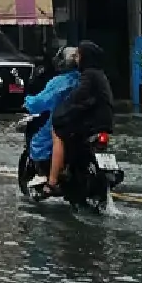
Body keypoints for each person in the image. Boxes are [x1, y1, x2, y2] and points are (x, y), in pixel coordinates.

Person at [46, 40, 116, 192]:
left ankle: (52, 182)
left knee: (57, 132)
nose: (76, 59)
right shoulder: (100, 74)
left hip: (93, 121)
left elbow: (79, 96)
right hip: (105, 121)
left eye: (78, 55)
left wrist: (63, 108)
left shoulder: (88, 75)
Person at [22, 46, 79, 192]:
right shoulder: (84, 79)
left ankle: (45, 175)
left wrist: (28, 102)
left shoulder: (60, 82)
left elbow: (42, 101)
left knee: (40, 141)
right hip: (85, 122)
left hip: (62, 119)